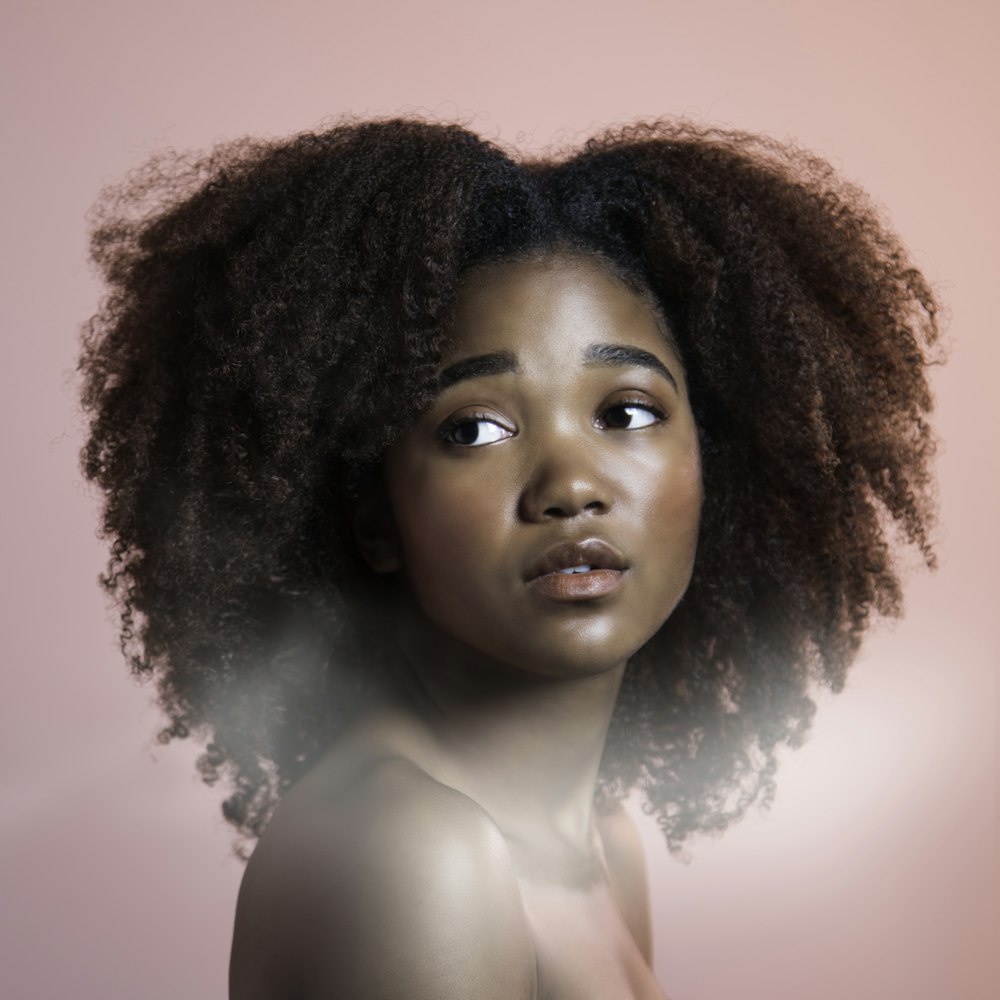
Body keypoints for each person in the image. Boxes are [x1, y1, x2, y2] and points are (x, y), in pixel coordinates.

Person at [78, 118, 939, 999]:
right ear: (373, 516)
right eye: (475, 428)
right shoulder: (415, 853)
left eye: (628, 413)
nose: (571, 484)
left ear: (715, 462)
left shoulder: (600, 836)